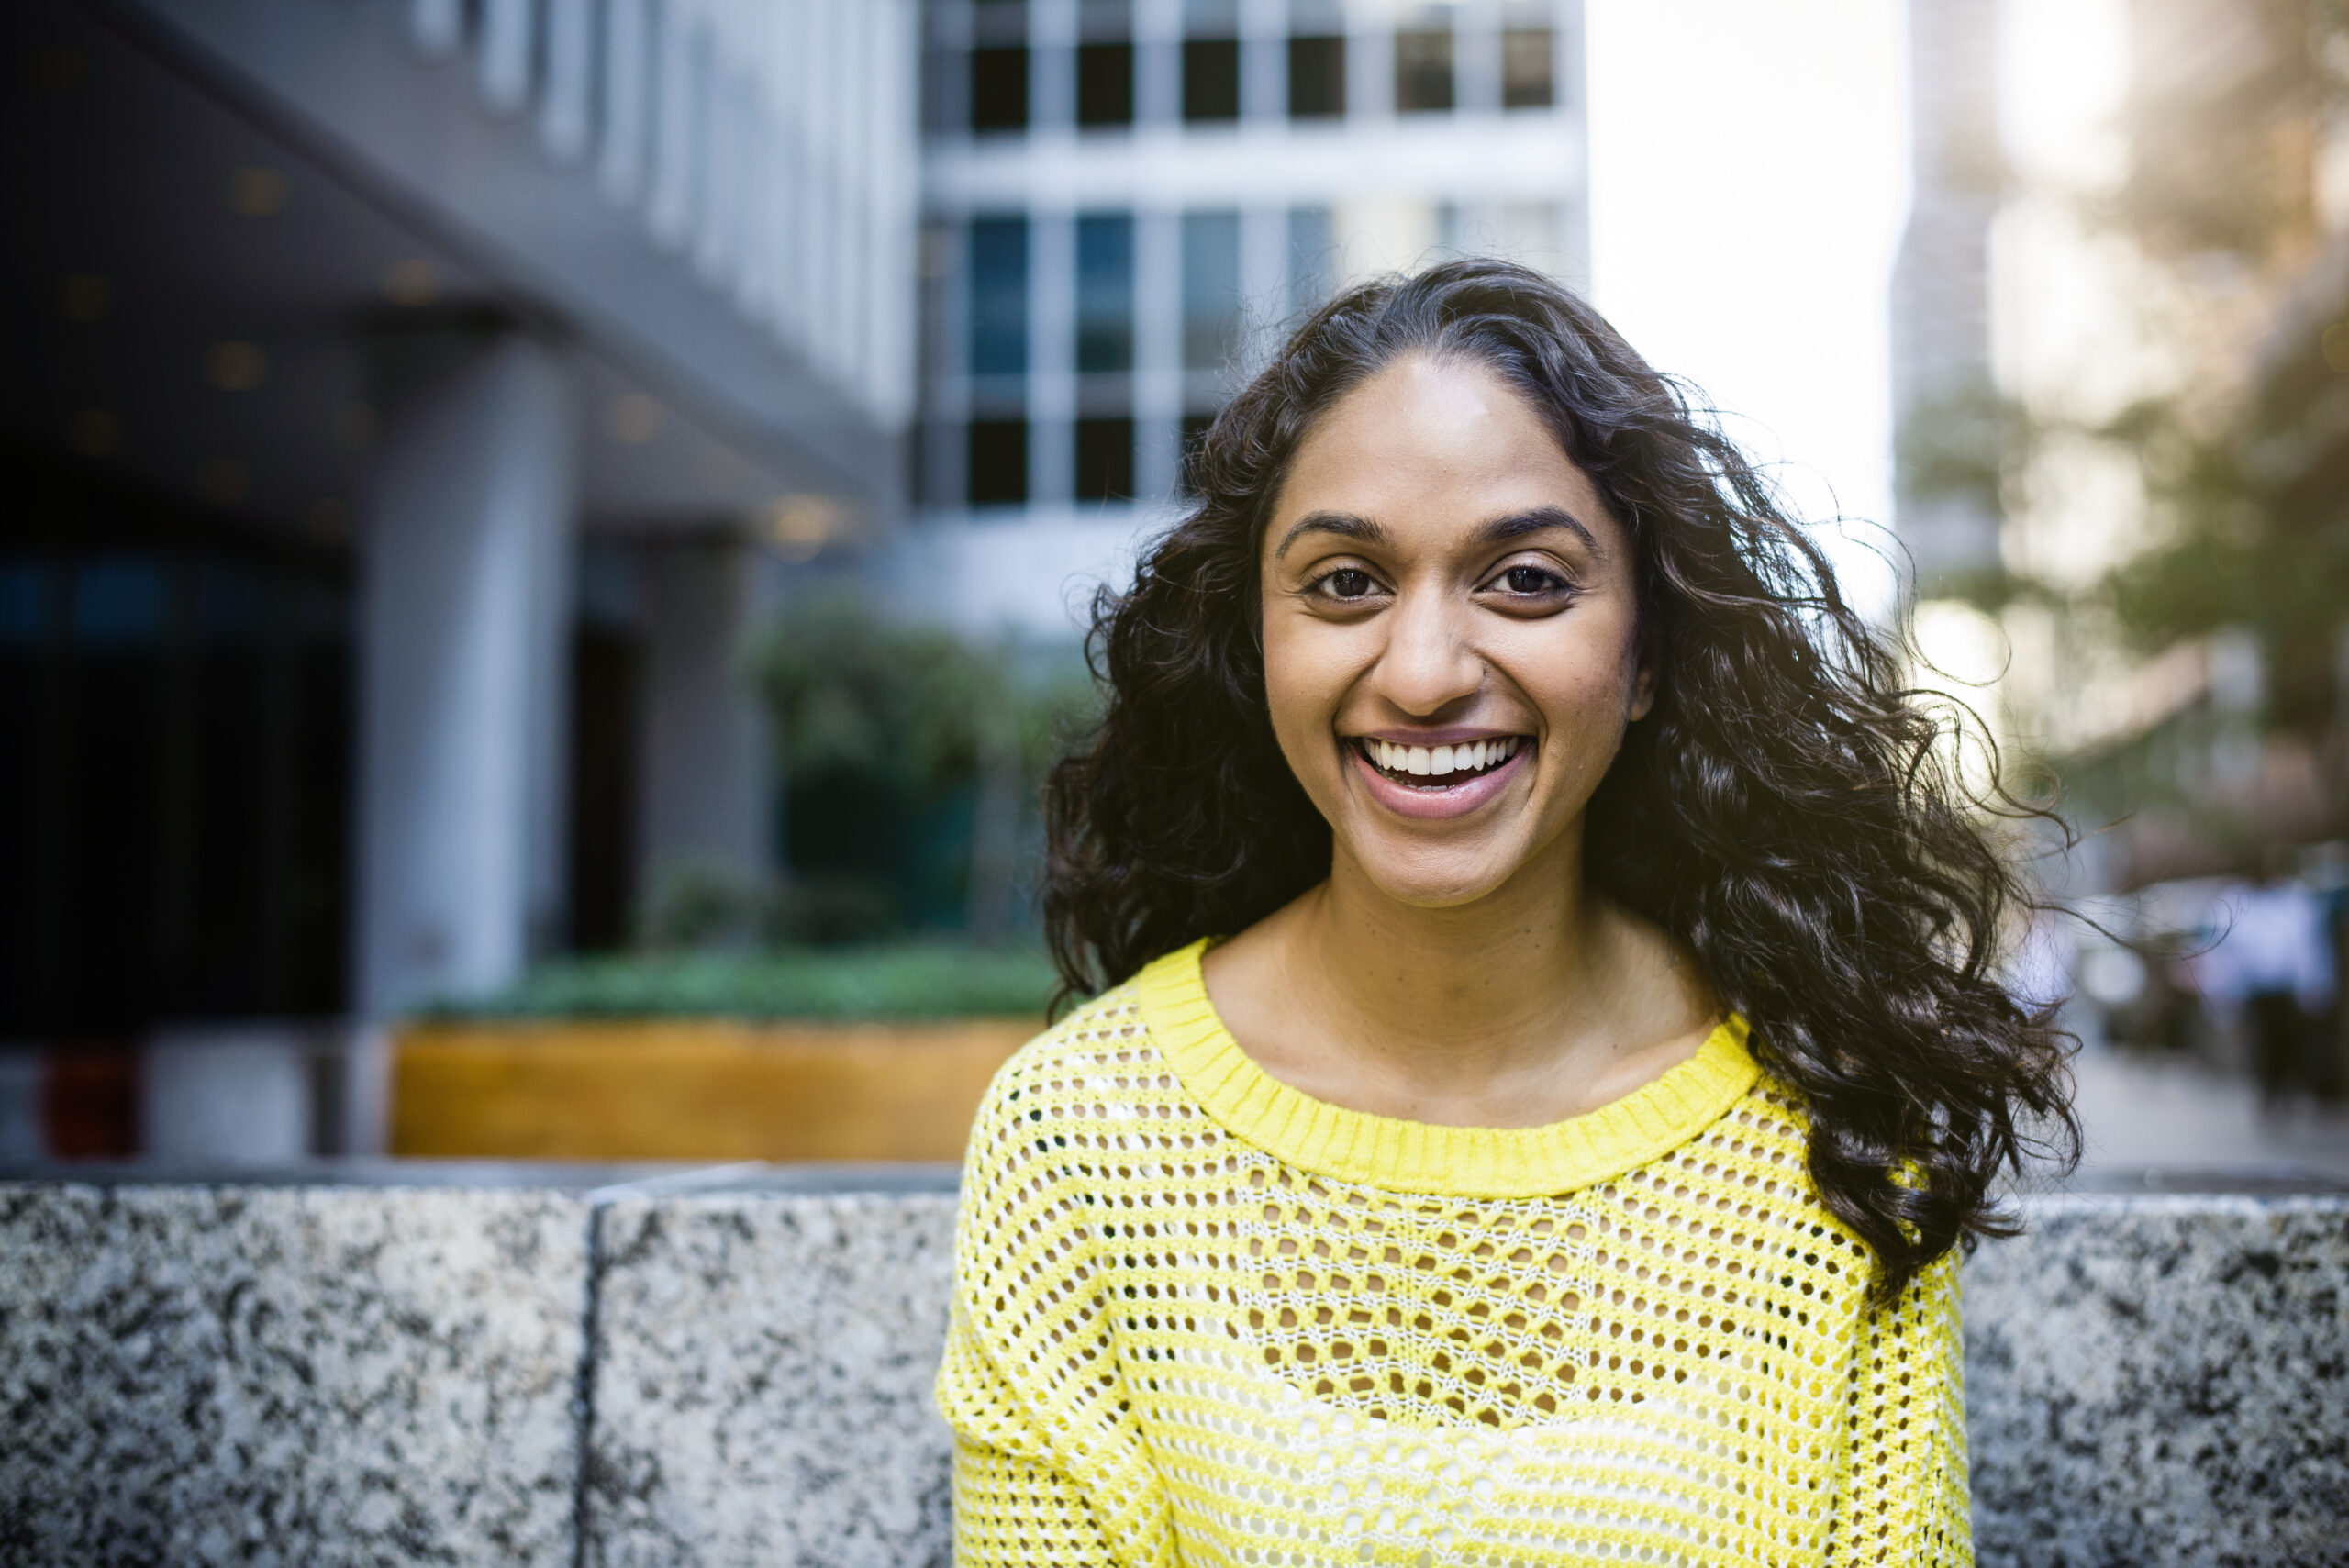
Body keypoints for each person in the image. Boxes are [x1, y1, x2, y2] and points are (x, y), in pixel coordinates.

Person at [935, 261, 2076, 1567]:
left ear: (1648, 654)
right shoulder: (1084, 1138)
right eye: (1346, 582)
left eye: (1526, 580)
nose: (1422, 673)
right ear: (1258, 644)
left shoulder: (1838, 1132)